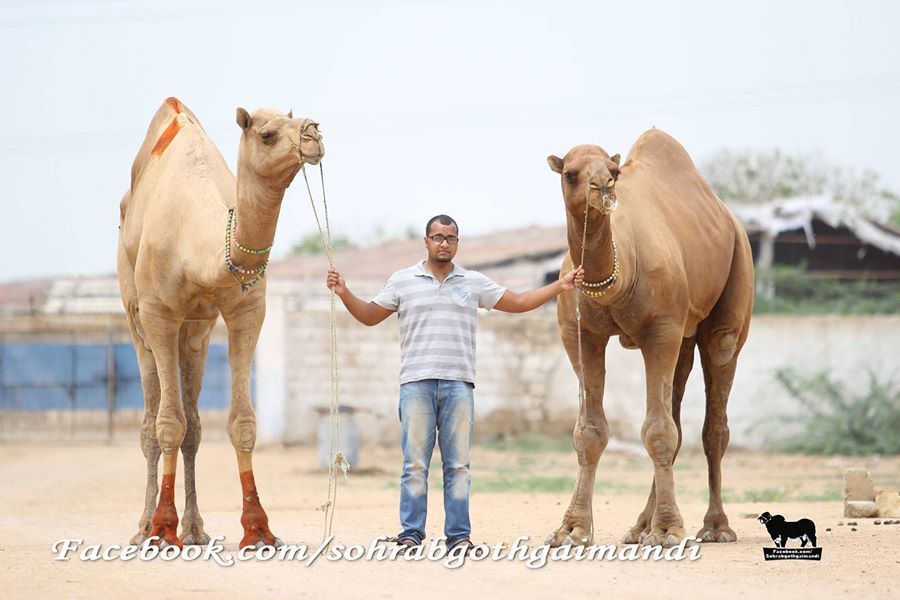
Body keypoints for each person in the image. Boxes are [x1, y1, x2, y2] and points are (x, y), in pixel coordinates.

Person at [326, 214, 583, 553]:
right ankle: (411, 534)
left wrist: (560, 285)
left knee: (458, 466)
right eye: (437, 237)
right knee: (414, 464)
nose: (443, 243)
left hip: (459, 386)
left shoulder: (472, 282)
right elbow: (370, 316)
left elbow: (518, 303)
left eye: (450, 237)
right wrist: (344, 292)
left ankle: (459, 537)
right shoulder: (403, 281)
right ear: (426, 241)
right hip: (416, 385)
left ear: (457, 243)